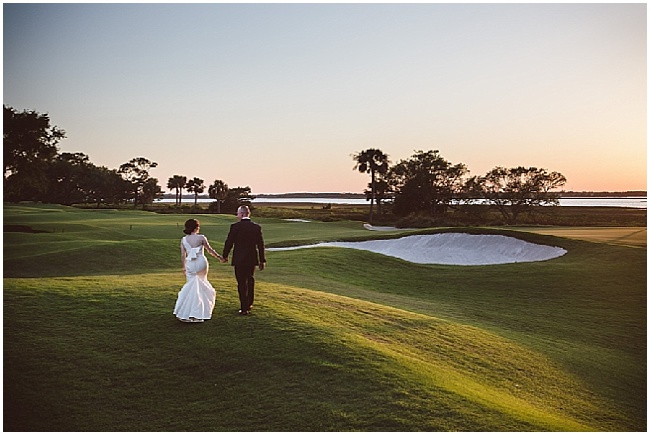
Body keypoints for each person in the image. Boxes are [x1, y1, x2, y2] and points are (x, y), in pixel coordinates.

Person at [173, 218, 225, 323]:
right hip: (201, 263)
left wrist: (183, 267)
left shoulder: (183, 240)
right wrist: (220, 257)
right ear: (196, 228)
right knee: (202, 284)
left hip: (190, 264)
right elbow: (210, 250)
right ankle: (201, 309)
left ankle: (188, 311)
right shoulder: (201, 237)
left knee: (191, 285)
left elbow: (183, 255)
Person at [222, 205, 266, 315]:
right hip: (251, 259)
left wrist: (225, 255)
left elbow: (229, 242)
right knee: (250, 280)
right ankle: (249, 303)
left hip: (239, 259)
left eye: (237, 213)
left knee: (241, 283)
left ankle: (244, 308)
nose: (237, 215)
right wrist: (262, 260)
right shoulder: (256, 227)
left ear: (242, 214)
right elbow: (260, 245)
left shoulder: (235, 227)